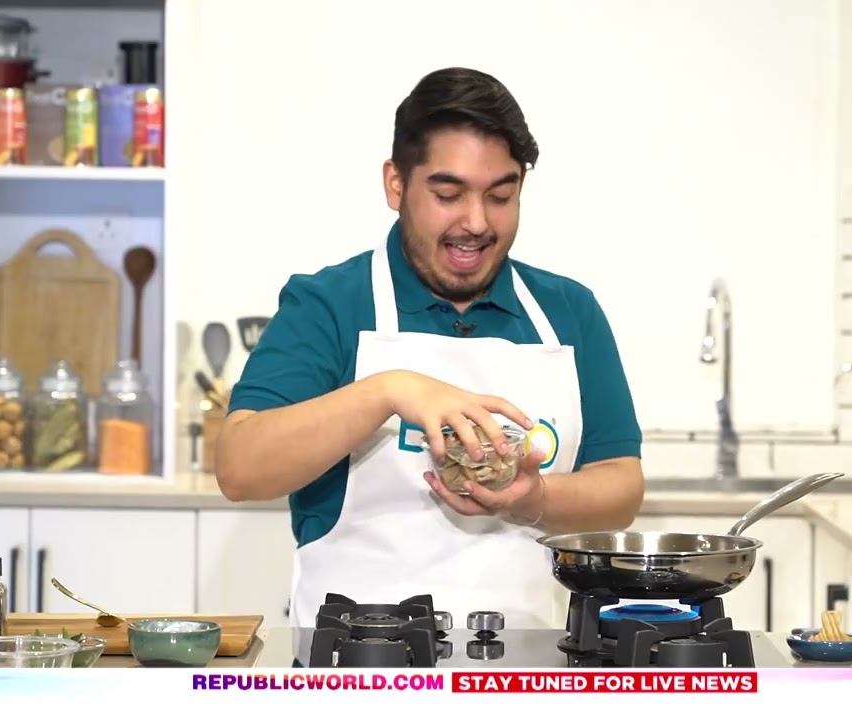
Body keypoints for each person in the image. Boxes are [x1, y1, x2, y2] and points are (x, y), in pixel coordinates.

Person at [215, 67, 645, 631]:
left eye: (501, 195)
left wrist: (531, 496)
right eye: (448, 194)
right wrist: (390, 390)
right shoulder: (330, 305)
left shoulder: (569, 312)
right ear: (396, 184)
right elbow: (240, 468)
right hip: (355, 666)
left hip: (526, 665)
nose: (476, 222)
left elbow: (621, 484)